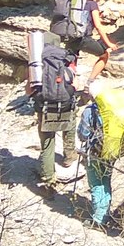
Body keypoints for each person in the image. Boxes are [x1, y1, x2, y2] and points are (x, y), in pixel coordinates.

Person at [87, 82, 124, 228]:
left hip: (95, 152)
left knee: (96, 183)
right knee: (106, 181)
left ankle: (98, 219)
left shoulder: (90, 110)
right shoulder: (113, 107)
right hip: (111, 150)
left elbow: (83, 133)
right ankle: (106, 213)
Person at [30, 38, 83, 187]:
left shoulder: (37, 64)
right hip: (66, 104)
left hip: (45, 107)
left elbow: (29, 89)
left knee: (47, 142)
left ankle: (48, 178)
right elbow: (75, 83)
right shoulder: (66, 58)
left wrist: (39, 97)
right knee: (70, 127)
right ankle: (69, 157)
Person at [54, 0, 118, 73]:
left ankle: (68, 83)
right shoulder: (92, 4)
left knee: (71, 61)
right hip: (82, 38)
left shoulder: (74, 4)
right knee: (104, 54)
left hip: (70, 36)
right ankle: (89, 83)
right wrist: (109, 43)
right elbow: (98, 26)